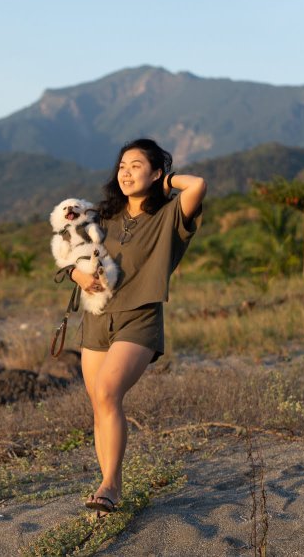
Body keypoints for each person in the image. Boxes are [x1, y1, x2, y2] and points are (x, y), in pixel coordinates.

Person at [66, 138, 206, 514]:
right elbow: (68, 253)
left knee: (109, 392)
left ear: (157, 172)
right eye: (122, 166)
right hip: (97, 316)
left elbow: (197, 185)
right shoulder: (102, 217)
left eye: (137, 166)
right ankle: (108, 480)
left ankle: (110, 485)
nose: (126, 172)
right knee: (99, 403)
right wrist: (78, 275)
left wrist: (166, 185)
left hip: (140, 317)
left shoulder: (171, 216)